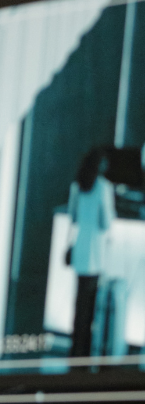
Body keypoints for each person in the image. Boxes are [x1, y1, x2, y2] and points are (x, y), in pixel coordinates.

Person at [67, 149, 116, 360]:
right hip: (95, 255)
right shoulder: (104, 188)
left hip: (80, 251)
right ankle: (85, 355)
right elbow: (106, 223)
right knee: (90, 308)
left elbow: (73, 217)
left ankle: (75, 349)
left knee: (79, 306)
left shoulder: (77, 185)